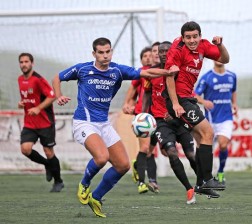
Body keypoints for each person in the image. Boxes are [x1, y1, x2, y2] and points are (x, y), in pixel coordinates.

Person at [52, 37, 177, 218]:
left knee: (123, 165)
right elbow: (57, 77)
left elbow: (146, 73)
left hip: (103, 123)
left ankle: (96, 197)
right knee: (102, 157)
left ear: (111, 51)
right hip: (84, 122)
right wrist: (58, 96)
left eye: (108, 51)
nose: (105, 56)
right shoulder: (83, 69)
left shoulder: (117, 71)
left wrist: (168, 72)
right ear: (94, 54)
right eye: (101, 53)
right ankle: (84, 184)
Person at [144, 41, 216, 204]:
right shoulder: (152, 73)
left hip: (179, 118)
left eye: (166, 51)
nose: (162, 53)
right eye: (159, 51)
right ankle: (188, 189)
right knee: (171, 152)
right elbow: (147, 94)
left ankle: (202, 183)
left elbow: (188, 94)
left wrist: (202, 102)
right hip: (161, 121)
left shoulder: (179, 71)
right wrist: (144, 114)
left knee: (191, 154)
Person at [164, 21, 229, 193]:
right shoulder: (176, 50)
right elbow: (170, 77)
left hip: (188, 99)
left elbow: (224, 59)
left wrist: (220, 45)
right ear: (183, 38)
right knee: (208, 132)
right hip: (179, 100)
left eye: (195, 36)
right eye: (188, 37)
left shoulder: (203, 45)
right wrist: (176, 104)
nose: (192, 40)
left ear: (200, 36)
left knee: (201, 139)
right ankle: (207, 179)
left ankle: (201, 184)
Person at [17, 52, 64, 192]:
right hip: (30, 123)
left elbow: (52, 96)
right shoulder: (20, 79)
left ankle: (58, 181)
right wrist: (22, 103)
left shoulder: (38, 79)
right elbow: (29, 98)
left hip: (45, 122)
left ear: (32, 63)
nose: (24, 64)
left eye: (26, 61)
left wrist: (38, 108)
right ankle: (47, 164)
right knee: (25, 149)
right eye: (21, 62)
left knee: (49, 151)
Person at [122, 43, 161, 194]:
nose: (148, 58)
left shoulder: (161, 71)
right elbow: (132, 90)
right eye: (144, 56)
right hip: (142, 115)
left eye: (149, 55)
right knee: (144, 148)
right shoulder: (141, 72)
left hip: (157, 115)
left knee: (152, 151)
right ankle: (142, 183)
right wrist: (127, 104)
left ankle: (140, 167)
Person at [194, 61, 238, 183]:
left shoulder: (232, 76)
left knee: (223, 144)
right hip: (210, 119)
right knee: (206, 149)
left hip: (226, 117)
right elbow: (195, 95)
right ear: (213, 59)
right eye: (216, 56)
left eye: (221, 56)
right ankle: (205, 177)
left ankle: (220, 172)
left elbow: (233, 91)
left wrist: (234, 104)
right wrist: (204, 102)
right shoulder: (207, 77)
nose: (219, 58)